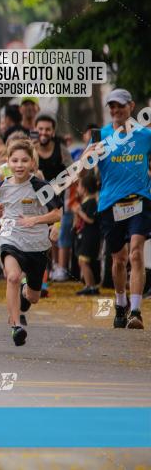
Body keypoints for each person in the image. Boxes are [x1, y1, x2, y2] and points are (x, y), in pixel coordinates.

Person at [0, 138, 61, 346]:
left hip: (37, 244)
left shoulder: (41, 186)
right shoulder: (1, 186)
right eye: (14, 161)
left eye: (24, 161)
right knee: (12, 276)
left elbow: (57, 213)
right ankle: (15, 326)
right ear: (8, 163)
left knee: (33, 297)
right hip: (9, 237)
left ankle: (26, 288)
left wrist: (36, 220)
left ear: (32, 162)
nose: (19, 165)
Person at [93, 88, 149, 329]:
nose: (116, 110)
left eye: (121, 106)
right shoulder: (100, 135)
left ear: (131, 106)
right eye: (112, 107)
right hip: (110, 203)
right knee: (119, 259)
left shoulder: (146, 136)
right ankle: (120, 303)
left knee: (136, 253)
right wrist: (89, 155)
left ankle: (136, 311)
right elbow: (85, 169)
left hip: (140, 200)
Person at [32, 113, 73, 283]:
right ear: (35, 130)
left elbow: (72, 171)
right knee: (41, 233)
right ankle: (43, 268)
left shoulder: (61, 149)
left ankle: (60, 268)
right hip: (37, 198)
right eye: (40, 129)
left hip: (59, 197)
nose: (43, 132)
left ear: (53, 131)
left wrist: (59, 187)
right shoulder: (31, 149)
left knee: (60, 232)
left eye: (47, 129)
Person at [73, 173, 101, 296]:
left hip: (89, 236)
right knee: (81, 260)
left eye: (78, 186)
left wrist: (80, 212)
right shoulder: (85, 201)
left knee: (84, 261)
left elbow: (91, 219)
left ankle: (91, 286)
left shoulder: (91, 202)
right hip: (83, 235)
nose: (77, 188)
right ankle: (88, 285)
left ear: (84, 188)